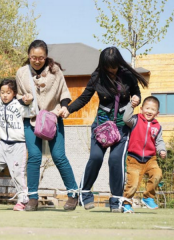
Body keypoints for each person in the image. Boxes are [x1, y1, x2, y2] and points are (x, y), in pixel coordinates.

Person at [62, 46, 149, 212]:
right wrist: (69, 109)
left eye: (114, 66)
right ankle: (85, 193)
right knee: (95, 157)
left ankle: (116, 200)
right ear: (102, 64)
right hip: (102, 126)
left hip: (122, 126)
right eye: (108, 66)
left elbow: (136, 92)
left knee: (115, 160)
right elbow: (84, 97)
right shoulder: (97, 77)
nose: (111, 69)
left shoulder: (128, 75)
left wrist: (137, 97)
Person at [16, 40, 79, 211]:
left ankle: (73, 193)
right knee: (34, 157)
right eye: (33, 57)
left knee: (58, 156)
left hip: (53, 117)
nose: (37, 60)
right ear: (29, 56)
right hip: (32, 119)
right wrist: (24, 99)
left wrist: (65, 107)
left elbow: (64, 92)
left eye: (41, 57)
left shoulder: (55, 70)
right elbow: (19, 96)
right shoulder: (21, 72)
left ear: (46, 56)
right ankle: (33, 198)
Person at [0, 79, 36, 211]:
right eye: (2, 92)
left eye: (8, 92)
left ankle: (22, 199)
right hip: (2, 144)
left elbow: (33, 113)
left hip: (18, 145)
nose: (4, 95)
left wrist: (30, 102)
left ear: (14, 93)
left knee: (16, 173)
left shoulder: (19, 105)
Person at [122, 96, 166, 213]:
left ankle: (148, 198)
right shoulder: (135, 119)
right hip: (133, 158)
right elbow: (126, 118)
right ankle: (126, 203)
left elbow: (159, 141)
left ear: (157, 113)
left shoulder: (157, 126)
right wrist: (131, 106)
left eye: (153, 109)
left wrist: (162, 150)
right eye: (147, 108)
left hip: (150, 159)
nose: (149, 111)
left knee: (157, 174)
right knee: (133, 183)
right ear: (141, 109)